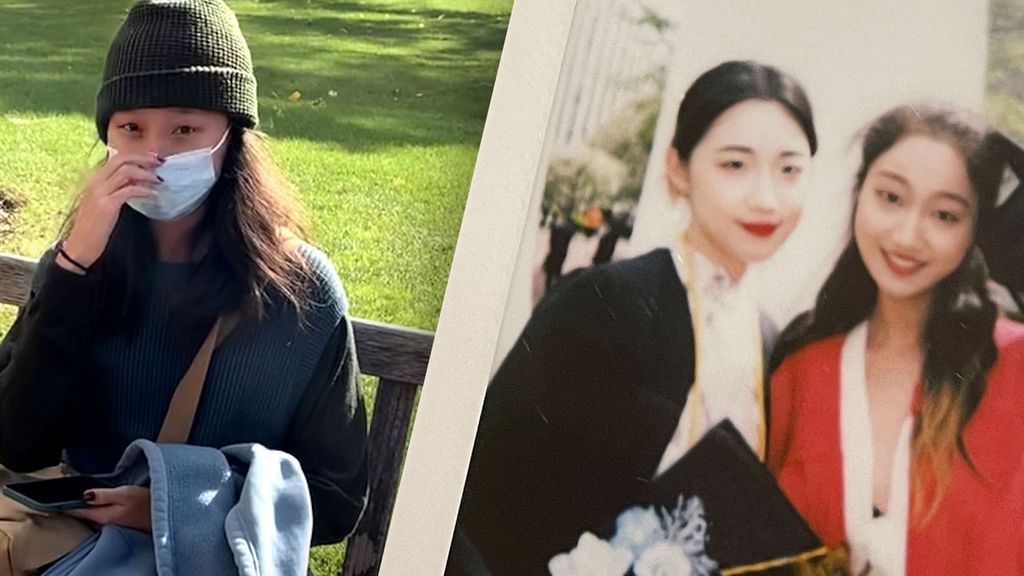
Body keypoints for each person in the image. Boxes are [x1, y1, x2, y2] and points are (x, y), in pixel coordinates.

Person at [0, 0, 368, 565]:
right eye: (130, 128)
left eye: (184, 128)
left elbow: (338, 498)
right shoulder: (82, 263)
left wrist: (172, 510)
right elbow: (17, 442)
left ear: (232, 135)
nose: (154, 154)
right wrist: (73, 266)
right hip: (64, 547)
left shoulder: (300, 289)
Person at [448, 60, 818, 575]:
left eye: (790, 170)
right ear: (678, 169)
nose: (766, 197)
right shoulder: (605, 303)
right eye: (735, 165)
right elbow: (472, 493)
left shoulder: (770, 338)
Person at [768, 104, 1024, 575]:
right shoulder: (800, 374)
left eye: (945, 215)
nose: (908, 235)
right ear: (860, 192)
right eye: (890, 197)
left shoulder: (1015, 367)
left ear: (977, 230)